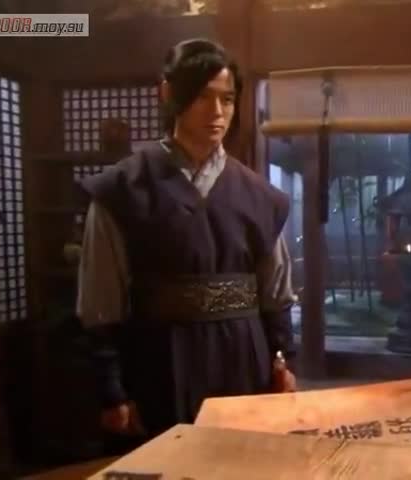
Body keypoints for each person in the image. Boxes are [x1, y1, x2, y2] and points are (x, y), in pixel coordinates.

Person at [76, 39, 297, 444]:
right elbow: (100, 300)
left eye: (227, 99)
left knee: (242, 459)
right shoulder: (122, 189)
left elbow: (276, 292)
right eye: (202, 97)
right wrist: (111, 388)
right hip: (158, 356)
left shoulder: (261, 197)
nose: (217, 112)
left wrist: (282, 358)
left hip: (244, 357)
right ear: (168, 93)